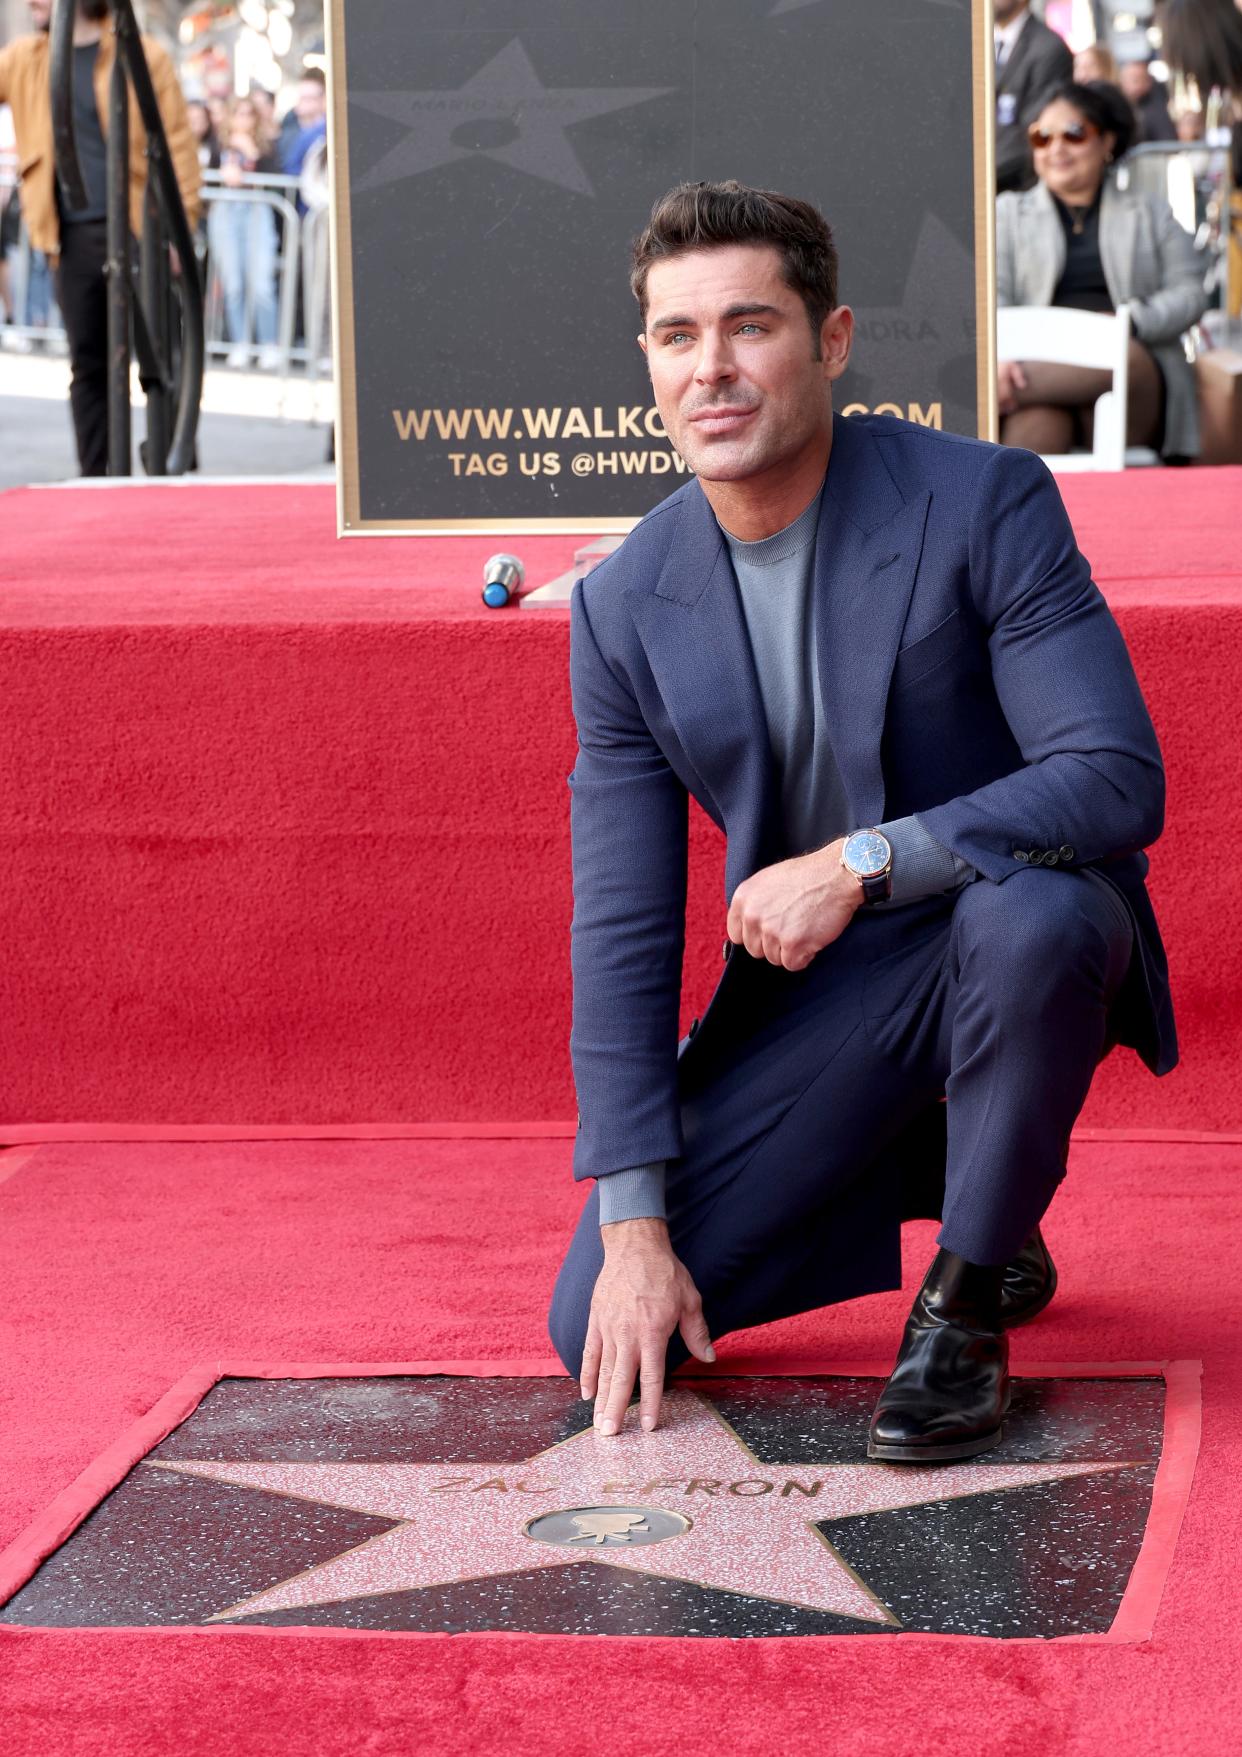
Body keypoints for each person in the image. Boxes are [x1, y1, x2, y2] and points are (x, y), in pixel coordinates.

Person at [547, 181, 1175, 1463]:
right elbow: (619, 923)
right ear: (648, 362)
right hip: (827, 991)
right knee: (600, 1326)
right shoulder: (623, 607)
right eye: (678, 337)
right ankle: (966, 1163)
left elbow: (1114, 776)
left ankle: (963, 1299)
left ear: (830, 342)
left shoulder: (983, 500)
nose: (711, 369)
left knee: (1039, 915)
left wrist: (861, 860)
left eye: (750, 326)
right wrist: (631, 1228)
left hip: (1006, 917)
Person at [0, 0, 199, 475]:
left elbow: (178, 148)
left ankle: (173, 476)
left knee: (160, 364)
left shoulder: (142, 56)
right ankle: (96, 479)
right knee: (88, 365)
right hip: (70, 234)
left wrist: (178, 229)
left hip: (138, 229)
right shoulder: (26, 58)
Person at [996, 80, 1208, 460]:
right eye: (1042, 137)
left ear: (1107, 141)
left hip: (1132, 368)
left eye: (1074, 134)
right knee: (1033, 436)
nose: (1057, 149)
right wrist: (1000, 355)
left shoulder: (1150, 211)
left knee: (1121, 354)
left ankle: (989, 390)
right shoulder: (1008, 213)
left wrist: (1129, 322)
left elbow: (1190, 294)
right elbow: (990, 296)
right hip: (1038, 361)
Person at [207, 93, 280, 369]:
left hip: (258, 212)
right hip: (226, 214)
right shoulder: (220, 144)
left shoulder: (266, 145)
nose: (243, 118)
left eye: (249, 113)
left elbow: (276, 177)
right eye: (238, 112)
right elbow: (212, 176)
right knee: (233, 283)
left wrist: (250, 153)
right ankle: (240, 342)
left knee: (261, 283)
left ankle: (269, 344)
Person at [994, 0, 1074, 192]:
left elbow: (1034, 131)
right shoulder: (973, 42)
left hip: (1015, 187)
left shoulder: (1049, 48)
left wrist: (978, 172)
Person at [1118, 55, 1178, 142]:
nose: (1140, 85)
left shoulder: (1159, 103)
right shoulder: (1118, 108)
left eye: (1144, 79)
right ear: (1122, 82)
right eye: (1135, 80)